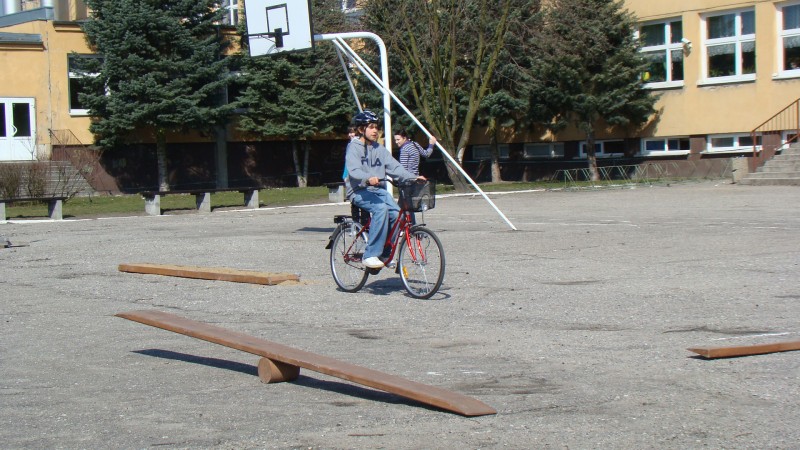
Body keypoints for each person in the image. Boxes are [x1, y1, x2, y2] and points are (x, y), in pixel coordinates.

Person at [345, 110, 425, 269]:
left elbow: (394, 167)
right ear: (361, 130)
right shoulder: (353, 147)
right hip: (359, 191)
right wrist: (367, 178)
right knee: (381, 209)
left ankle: (385, 253)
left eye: (377, 127)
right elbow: (354, 170)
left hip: (377, 191)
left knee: (398, 216)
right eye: (371, 127)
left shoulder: (379, 148)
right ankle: (370, 255)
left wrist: (412, 177)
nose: (375, 130)